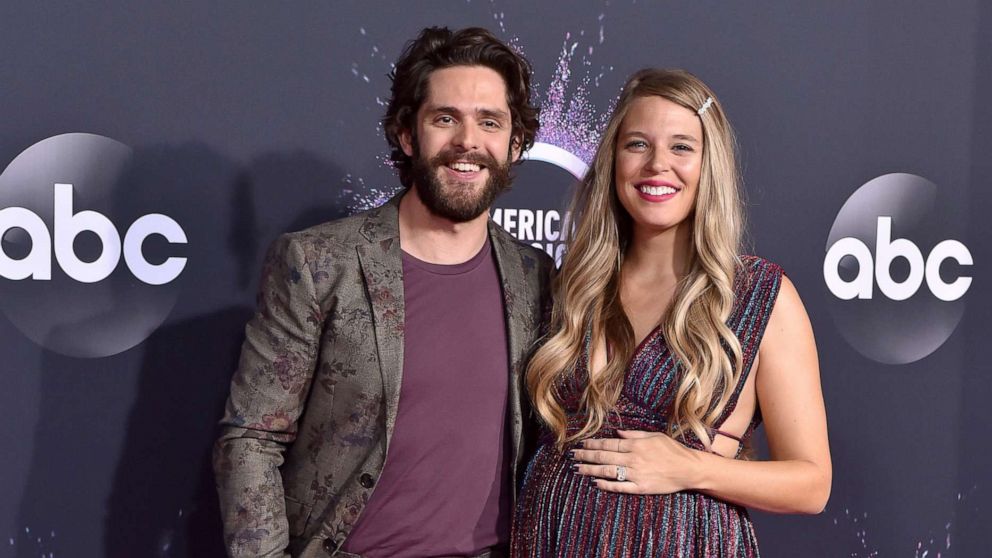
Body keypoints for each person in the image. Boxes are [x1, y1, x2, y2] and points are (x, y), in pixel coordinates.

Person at [214, 26, 553, 558]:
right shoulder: (320, 263)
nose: (468, 141)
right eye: (446, 119)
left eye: (489, 122)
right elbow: (251, 437)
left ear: (513, 144)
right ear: (407, 134)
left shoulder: (537, 277)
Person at [511, 69, 831, 557]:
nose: (657, 164)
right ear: (613, 161)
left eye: (682, 147)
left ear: (709, 165)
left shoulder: (758, 294)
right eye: (637, 144)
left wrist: (689, 467)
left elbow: (811, 485)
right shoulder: (574, 288)